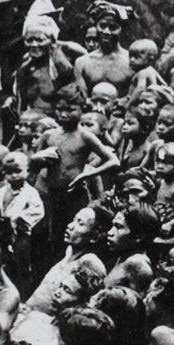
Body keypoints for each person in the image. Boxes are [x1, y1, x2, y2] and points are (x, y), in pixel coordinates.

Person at [34, 84, 119, 259]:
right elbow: (30, 165)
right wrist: (38, 158)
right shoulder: (49, 136)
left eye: (70, 110)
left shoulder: (85, 136)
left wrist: (88, 173)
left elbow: (113, 161)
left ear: (82, 109)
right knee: (49, 240)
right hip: (50, 196)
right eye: (60, 110)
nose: (64, 114)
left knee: (77, 238)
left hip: (74, 196)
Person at [27, 204, 110, 314]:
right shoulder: (69, 251)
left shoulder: (90, 262)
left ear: (95, 236)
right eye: (74, 220)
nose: (70, 226)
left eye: (80, 224)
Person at [0, 151, 45, 293]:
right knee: (4, 263)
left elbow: (38, 210)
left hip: (20, 236)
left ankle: (23, 293)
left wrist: (20, 219)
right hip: (3, 234)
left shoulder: (30, 192)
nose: (14, 176)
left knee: (22, 265)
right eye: (9, 172)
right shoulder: (2, 191)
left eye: (18, 171)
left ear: (28, 171)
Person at [74, 0, 134, 96]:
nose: (106, 32)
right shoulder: (82, 63)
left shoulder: (131, 62)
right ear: (96, 26)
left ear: (122, 30)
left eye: (113, 27)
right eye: (102, 26)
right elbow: (81, 97)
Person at [105, 204, 159, 293]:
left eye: (118, 227)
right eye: (112, 226)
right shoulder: (123, 256)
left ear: (139, 237)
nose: (110, 232)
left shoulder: (137, 264)